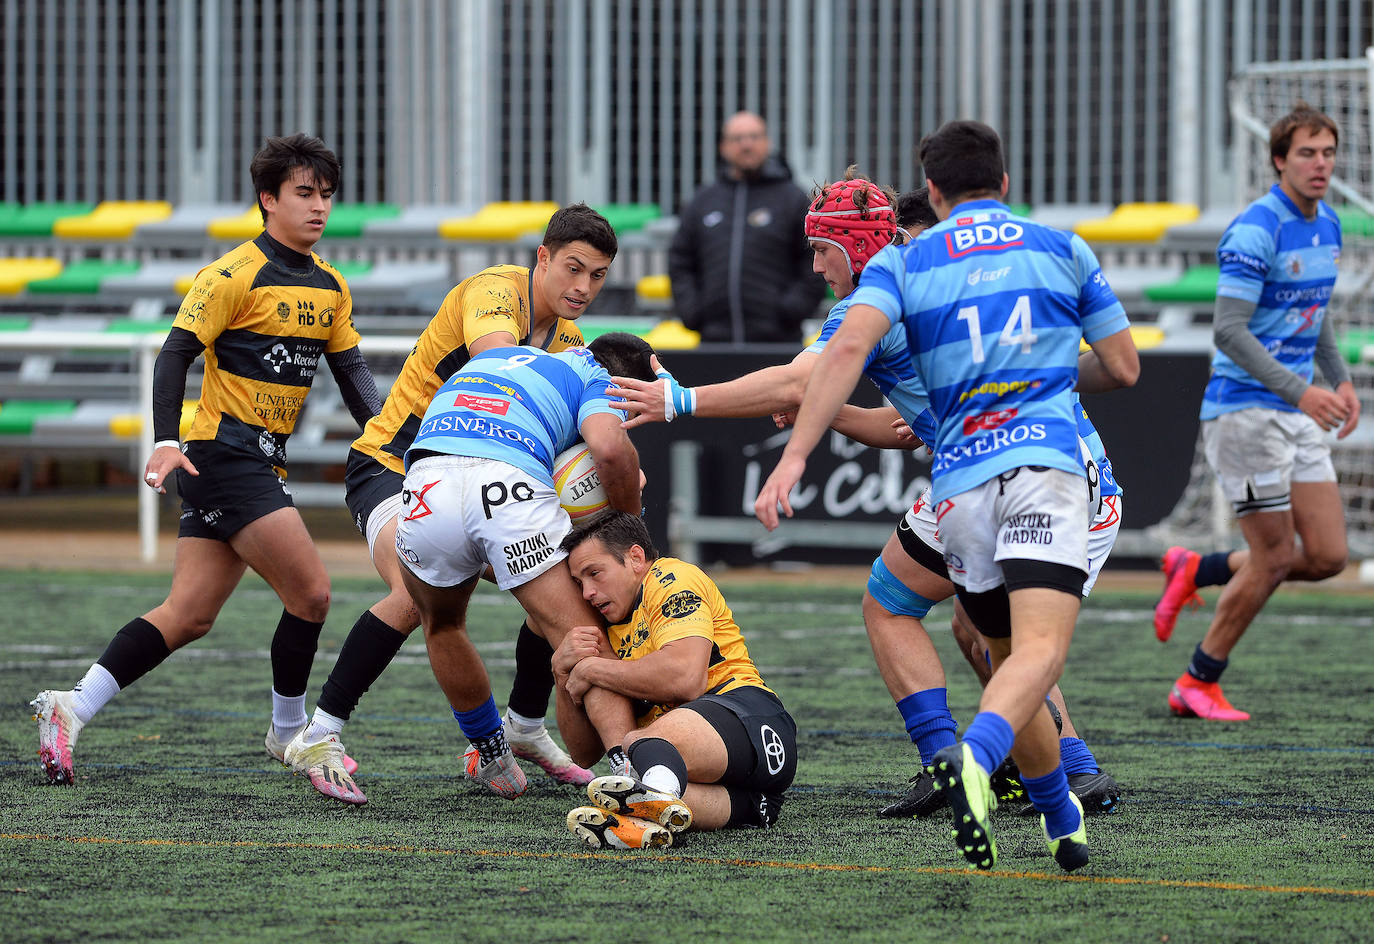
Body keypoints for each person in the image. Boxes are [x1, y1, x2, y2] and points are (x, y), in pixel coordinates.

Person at [612, 179, 1122, 821]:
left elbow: (804, 375)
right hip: (1035, 470)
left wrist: (680, 400)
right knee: (923, 606)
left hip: (1036, 480)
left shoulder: (887, 293)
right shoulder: (965, 281)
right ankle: (1014, 770)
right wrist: (828, 413)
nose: (816, 264)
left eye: (822, 248)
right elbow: (897, 423)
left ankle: (1031, 772)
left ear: (857, 244)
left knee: (980, 628)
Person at [755, 121, 1139, 873]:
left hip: (959, 485)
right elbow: (1122, 368)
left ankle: (1062, 815)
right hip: (1045, 470)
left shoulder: (905, 261)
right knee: (1033, 653)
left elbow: (843, 353)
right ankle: (975, 758)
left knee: (996, 650)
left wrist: (795, 454)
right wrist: (1044, 378)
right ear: (1005, 182)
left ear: (930, 191)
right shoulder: (1061, 248)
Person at [31, 134, 382, 786]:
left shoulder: (332, 288)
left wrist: (389, 440)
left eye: (326, 195)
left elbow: (354, 374)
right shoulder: (230, 275)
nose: (319, 207)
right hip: (225, 456)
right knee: (312, 592)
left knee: (188, 614)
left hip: (255, 464)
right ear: (267, 199)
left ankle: (70, 707)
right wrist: (166, 438)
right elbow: (173, 354)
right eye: (304, 193)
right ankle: (290, 733)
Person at [282, 205, 618, 804]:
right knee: (418, 598)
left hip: (486, 477)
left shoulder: (568, 340)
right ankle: (322, 731)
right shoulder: (494, 291)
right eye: (573, 268)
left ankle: (522, 728)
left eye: (597, 276)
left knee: (559, 574)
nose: (583, 287)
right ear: (541, 257)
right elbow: (498, 366)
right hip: (393, 463)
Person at [348, 335, 654, 804]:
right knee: (584, 633)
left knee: (442, 623)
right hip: (504, 483)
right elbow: (610, 450)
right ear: (622, 386)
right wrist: (629, 529)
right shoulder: (595, 378)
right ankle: (629, 768)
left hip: (427, 482)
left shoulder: (495, 358)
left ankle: (492, 749)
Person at [1152, 103, 1358, 720]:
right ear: (1278, 161)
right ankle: (1196, 681)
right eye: (1306, 154)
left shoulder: (1328, 227)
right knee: (1273, 557)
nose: (1320, 165)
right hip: (1244, 413)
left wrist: (1339, 381)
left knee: (1325, 557)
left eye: (1327, 153)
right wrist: (1302, 392)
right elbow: (1228, 330)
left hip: (1294, 412)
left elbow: (1313, 312)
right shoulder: (1255, 229)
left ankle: (1199, 568)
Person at [552, 511, 798, 850]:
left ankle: (649, 798)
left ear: (636, 558)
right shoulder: (601, 625)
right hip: (742, 791)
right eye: (579, 583)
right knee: (596, 676)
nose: (587, 593)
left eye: (595, 574)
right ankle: (651, 808)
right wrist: (561, 672)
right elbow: (581, 753)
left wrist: (592, 669)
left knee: (635, 732)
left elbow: (686, 680)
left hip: (753, 721)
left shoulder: (670, 577)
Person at [667, 110, 825, 343]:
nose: (746, 145)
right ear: (723, 146)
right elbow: (680, 260)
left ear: (767, 142)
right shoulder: (703, 201)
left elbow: (816, 256)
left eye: (754, 136)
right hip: (713, 342)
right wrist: (693, 311)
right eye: (737, 138)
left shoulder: (792, 199)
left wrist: (792, 309)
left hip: (779, 344)